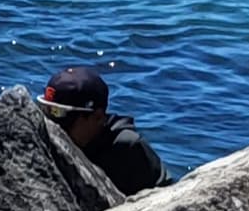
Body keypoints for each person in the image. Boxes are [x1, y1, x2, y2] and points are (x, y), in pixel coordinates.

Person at [39, 65, 166, 193]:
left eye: (62, 115)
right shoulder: (45, 138)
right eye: (48, 111)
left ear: (98, 117)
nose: (55, 125)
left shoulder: (126, 148)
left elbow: (164, 195)